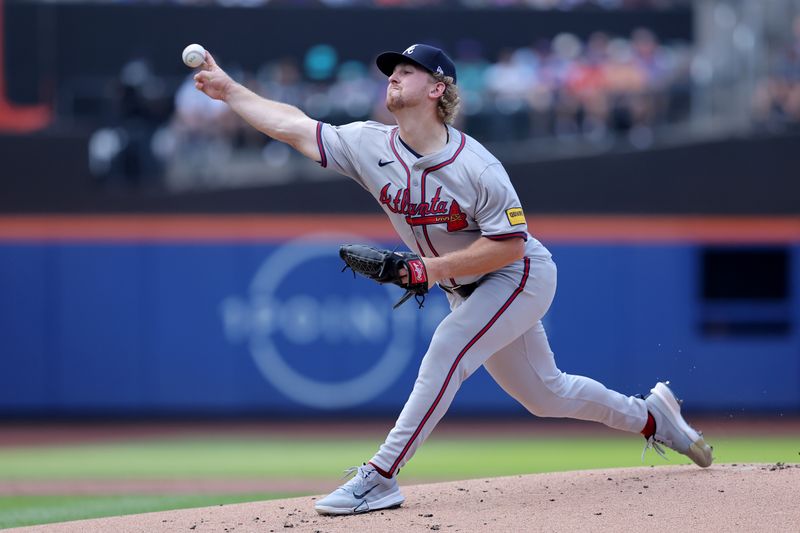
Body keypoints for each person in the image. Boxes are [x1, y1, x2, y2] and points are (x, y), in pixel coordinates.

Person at [193, 43, 713, 516]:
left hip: (520, 274)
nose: (392, 76)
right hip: (466, 288)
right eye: (390, 71)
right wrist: (229, 90)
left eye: (406, 70)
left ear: (437, 88)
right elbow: (293, 125)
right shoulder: (368, 143)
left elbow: (508, 243)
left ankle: (380, 477)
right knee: (545, 395)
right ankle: (651, 417)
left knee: (448, 347)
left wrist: (427, 270)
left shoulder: (478, 167)